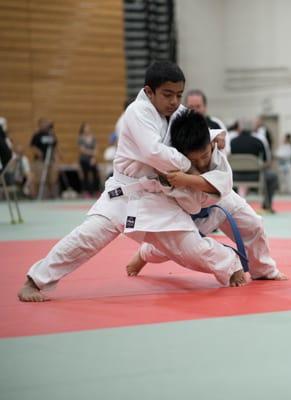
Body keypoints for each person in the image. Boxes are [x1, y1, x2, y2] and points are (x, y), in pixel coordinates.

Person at [18, 61, 246, 302]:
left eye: (178, 95)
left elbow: (194, 131)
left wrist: (215, 137)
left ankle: (231, 266)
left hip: (159, 197)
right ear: (149, 92)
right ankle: (35, 280)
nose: (174, 101)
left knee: (190, 248)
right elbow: (153, 152)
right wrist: (189, 167)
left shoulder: (176, 112)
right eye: (167, 94)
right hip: (123, 194)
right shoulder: (137, 112)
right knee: (86, 238)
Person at [125, 110, 287, 282]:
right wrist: (178, 177)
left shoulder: (212, 143)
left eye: (205, 156)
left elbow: (224, 183)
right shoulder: (169, 158)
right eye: (194, 160)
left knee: (253, 224)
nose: (202, 163)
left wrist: (187, 178)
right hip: (189, 211)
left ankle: (263, 270)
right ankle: (143, 254)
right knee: (173, 248)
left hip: (221, 197)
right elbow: (190, 202)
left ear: (210, 144)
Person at [230, 118, 279, 213]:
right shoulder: (259, 141)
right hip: (255, 176)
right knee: (272, 177)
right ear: (252, 128)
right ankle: (267, 205)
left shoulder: (232, 142)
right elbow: (266, 161)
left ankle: (233, 205)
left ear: (239, 128)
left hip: (235, 176)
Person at [30, 118, 59, 199]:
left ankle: (51, 195)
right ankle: (36, 195)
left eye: (46, 123)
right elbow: (32, 146)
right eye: (43, 123)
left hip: (50, 159)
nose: (45, 125)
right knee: (39, 179)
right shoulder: (37, 135)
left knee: (52, 179)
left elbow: (55, 146)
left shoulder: (51, 134)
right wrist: (38, 152)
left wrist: (56, 157)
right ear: (39, 125)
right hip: (40, 160)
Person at [78, 122, 100, 196]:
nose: (88, 129)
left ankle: (96, 190)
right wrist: (92, 153)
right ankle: (86, 191)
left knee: (95, 175)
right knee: (85, 175)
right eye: (86, 127)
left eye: (88, 127)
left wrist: (93, 157)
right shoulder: (80, 138)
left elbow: (96, 148)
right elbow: (82, 150)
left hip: (92, 160)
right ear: (83, 129)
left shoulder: (93, 137)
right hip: (84, 160)